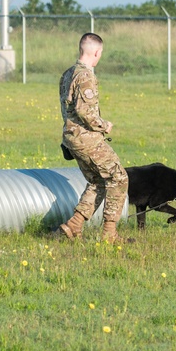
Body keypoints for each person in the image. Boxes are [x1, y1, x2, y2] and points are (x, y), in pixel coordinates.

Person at [58, 32, 129, 243]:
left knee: (98, 180)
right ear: (96, 52)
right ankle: (110, 233)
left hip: (71, 138)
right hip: (87, 139)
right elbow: (83, 111)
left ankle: (73, 225)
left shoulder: (67, 74)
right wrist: (103, 125)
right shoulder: (86, 75)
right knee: (119, 177)